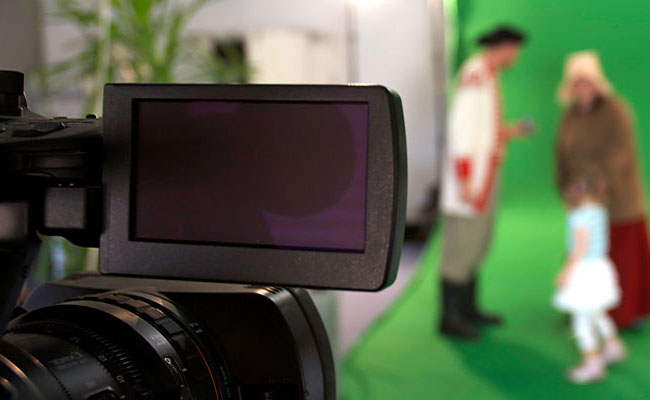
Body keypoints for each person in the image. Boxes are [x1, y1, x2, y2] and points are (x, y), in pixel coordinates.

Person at [438, 26, 532, 339]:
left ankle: (467, 308)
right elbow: (462, 128)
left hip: (485, 175)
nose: (515, 56)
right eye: (514, 49)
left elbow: (482, 129)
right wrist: (465, 176)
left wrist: (510, 131)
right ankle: (450, 317)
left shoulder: (487, 74)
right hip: (473, 180)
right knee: (462, 245)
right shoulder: (476, 74)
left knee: (477, 242)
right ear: (504, 47)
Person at [555, 51, 650, 328]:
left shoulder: (617, 111)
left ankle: (624, 311)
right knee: (584, 249)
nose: (582, 87)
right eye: (577, 82)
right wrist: (565, 184)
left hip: (617, 198)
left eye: (586, 81)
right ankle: (584, 305)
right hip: (581, 197)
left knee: (621, 255)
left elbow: (620, 153)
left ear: (597, 83)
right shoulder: (570, 115)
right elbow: (561, 153)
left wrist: (593, 180)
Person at [554, 172, 626, 384]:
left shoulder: (578, 216)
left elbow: (580, 247)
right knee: (597, 312)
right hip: (600, 268)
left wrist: (565, 272)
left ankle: (592, 364)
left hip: (584, 273)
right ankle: (613, 347)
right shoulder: (599, 211)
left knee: (581, 321)